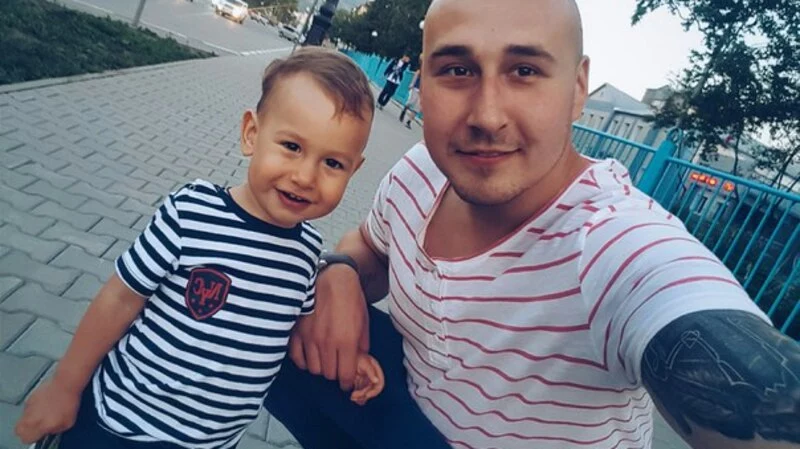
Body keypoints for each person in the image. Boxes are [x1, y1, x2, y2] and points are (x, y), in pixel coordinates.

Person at [263, 1, 800, 449]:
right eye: (457, 70)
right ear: (422, 79)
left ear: (578, 88)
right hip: (404, 416)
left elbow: (714, 340)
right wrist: (338, 273)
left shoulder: (612, 241)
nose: (487, 116)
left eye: (524, 71)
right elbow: (370, 245)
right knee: (267, 303)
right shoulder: (422, 170)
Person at [14, 48, 385, 449]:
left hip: (211, 441)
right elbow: (119, 299)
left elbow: (286, 332)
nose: (305, 176)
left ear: (354, 169)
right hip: (122, 422)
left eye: (333, 163)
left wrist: (350, 362)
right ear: (252, 134)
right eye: (292, 146)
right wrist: (65, 386)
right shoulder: (191, 212)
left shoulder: (307, 252)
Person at [400, 59, 422, 129]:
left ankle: (409, 121)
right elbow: (415, 77)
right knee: (411, 102)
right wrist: (412, 84)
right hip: (416, 89)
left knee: (417, 108)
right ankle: (404, 109)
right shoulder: (420, 71)